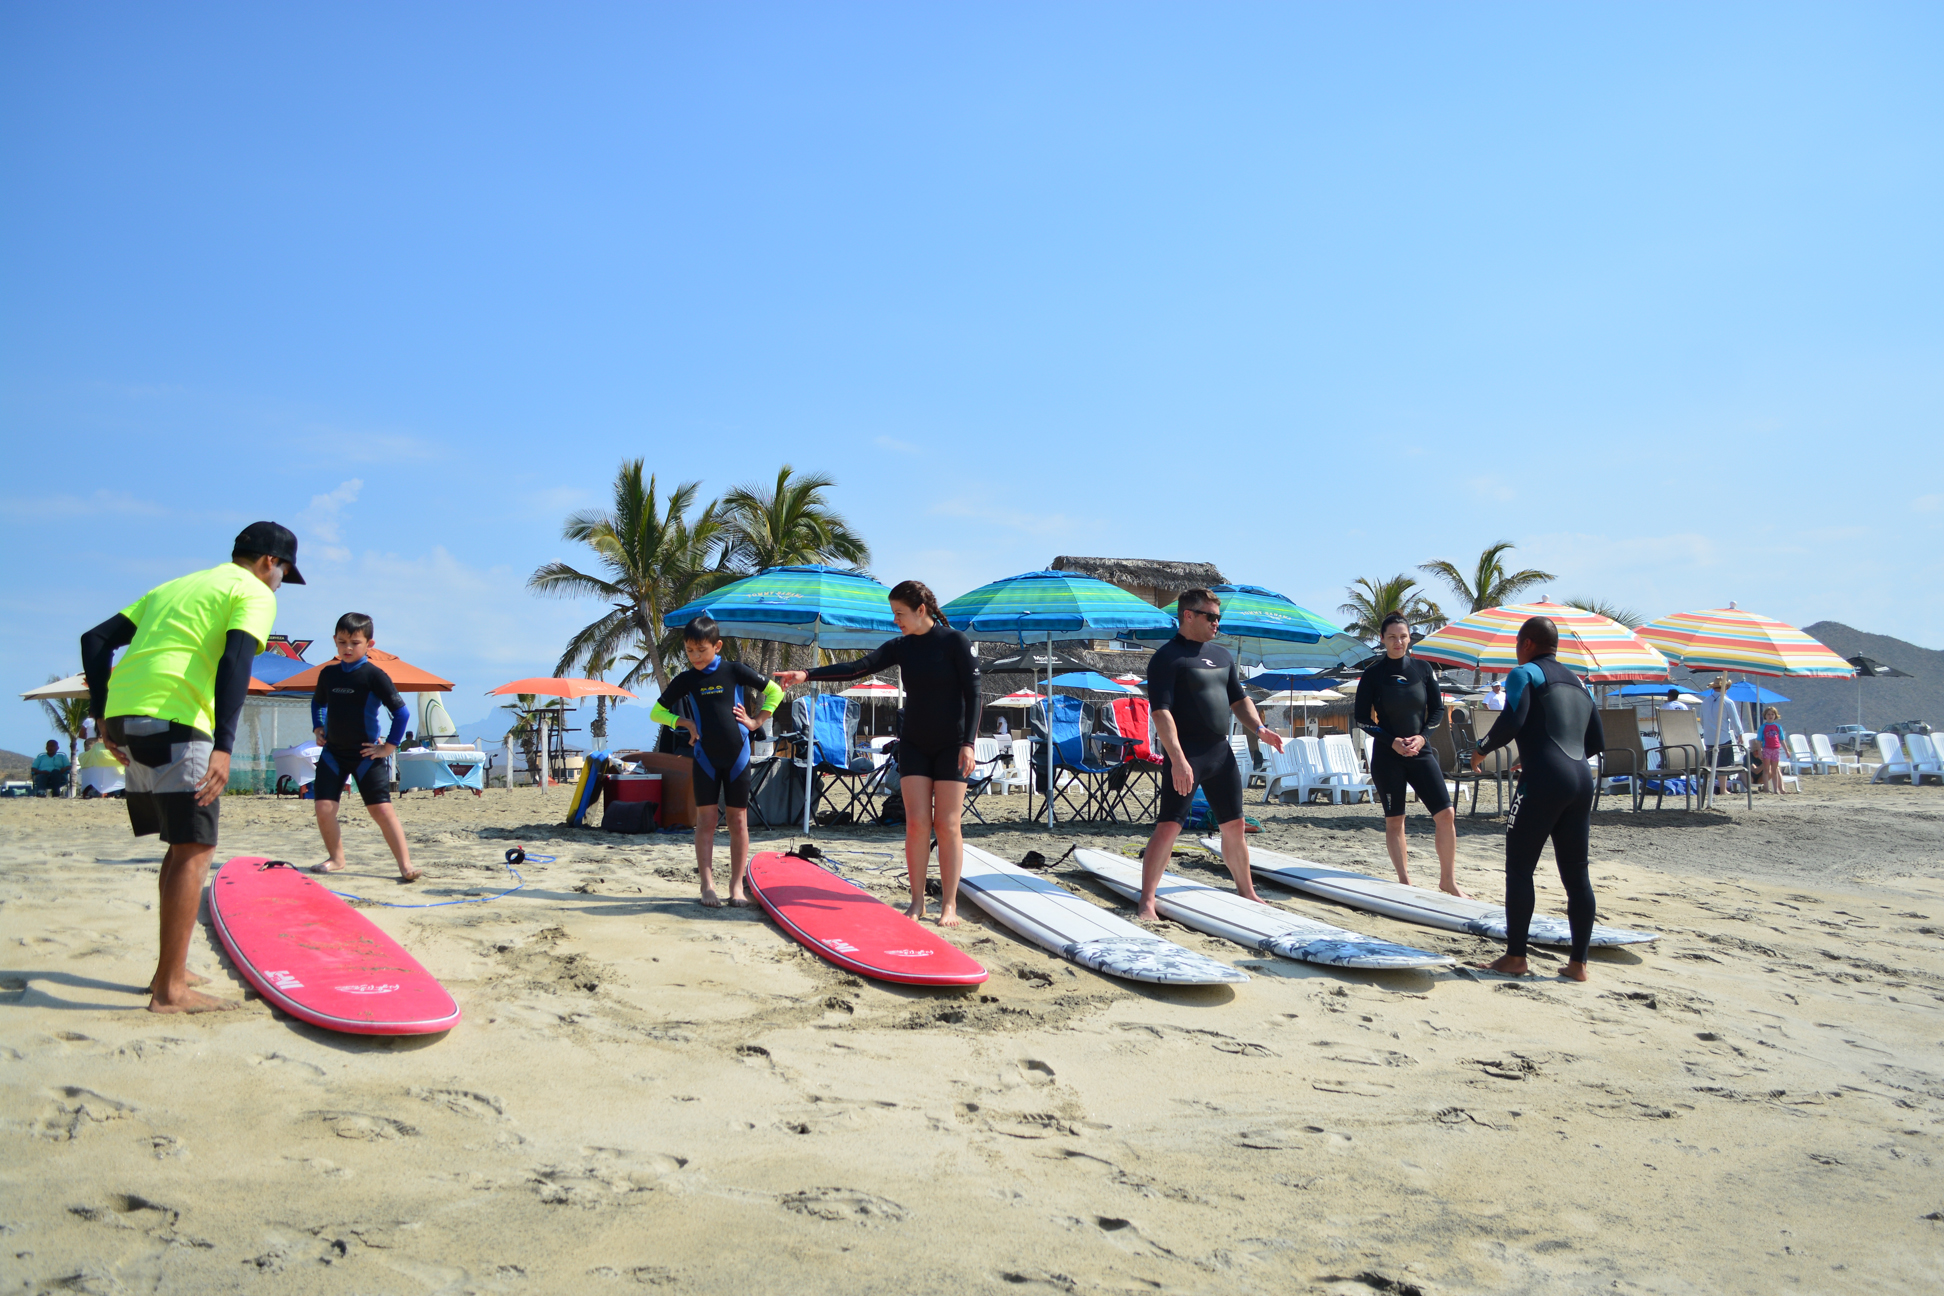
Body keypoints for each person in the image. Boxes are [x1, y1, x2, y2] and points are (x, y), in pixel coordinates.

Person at [80, 520, 301, 1014]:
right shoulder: (254, 592)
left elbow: (95, 639)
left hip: (127, 717)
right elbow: (236, 662)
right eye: (284, 570)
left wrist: (102, 713)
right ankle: (171, 991)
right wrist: (224, 745)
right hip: (177, 720)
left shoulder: (176, 586)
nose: (280, 580)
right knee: (196, 849)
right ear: (270, 562)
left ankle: (168, 970)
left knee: (179, 847)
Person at [776, 580, 980, 925]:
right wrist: (806, 674)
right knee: (916, 824)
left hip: (953, 745)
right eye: (893, 614)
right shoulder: (901, 647)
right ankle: (917, 902)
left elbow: (975, 694)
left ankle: (949, 904)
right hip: (914, 742)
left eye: (899, 614)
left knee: (947, 825)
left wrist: (969, 744)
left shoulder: (954, 641)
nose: (895, 620)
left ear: (920, 610)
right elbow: (857, 667)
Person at [1135, 588, 1285, 921]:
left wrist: (1260, 729)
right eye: (1211, 617)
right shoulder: (1167, 658)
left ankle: (1247, 891)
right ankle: (1147, 900)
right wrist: (1178, 759)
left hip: (1220, 752)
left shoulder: (1222, 656)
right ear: (1188, 615)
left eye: (1219, 617)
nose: (1217, 623)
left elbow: (1239, 700)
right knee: (1169, 826)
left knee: (1235, 825)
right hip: (1186, 753)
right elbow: (1161, 713)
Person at [1471, 615, 1604, 982]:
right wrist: (1542, 755)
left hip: (1544, 781)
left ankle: (1516, 957)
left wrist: (1481, 749)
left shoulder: (1524, 673)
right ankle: (1578, 965)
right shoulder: (1579, 683)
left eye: (1517, 644)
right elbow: (1594, 741)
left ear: (1527, 643)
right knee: (1577, 876)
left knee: (1519, 869)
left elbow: (1513, 719)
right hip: (1581, 780)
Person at [652, 616, 784, 908]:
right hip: (704, 757)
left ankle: (736, 886)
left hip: (737, 757)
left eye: (701, 649)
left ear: (717, 645)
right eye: (689, 651)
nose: (696, 656)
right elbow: (657, 712)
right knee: (706, 822)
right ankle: (707, 885)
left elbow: (776, 691)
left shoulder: (733, 670)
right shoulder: (687, 679)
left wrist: (756, 721)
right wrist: (685, 723)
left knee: (738, 821)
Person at [1354, 613, 1464, 896]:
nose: (1398, 642)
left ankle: (1448, 881)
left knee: (1446, 814)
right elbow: (1362, 719)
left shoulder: (1423, 669)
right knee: (1395, 820)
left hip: (1421, 752)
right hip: (1388, 755)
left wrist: (1422, 736)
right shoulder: (1373, 674)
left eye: (1403, 636)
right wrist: (1391, 742)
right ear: (1382, 639)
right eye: (1391, 637)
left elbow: (1438, 709)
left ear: (1409, 638)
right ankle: (1404, 882)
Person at [309, 614, 419, 882]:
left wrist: (389, 747)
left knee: (381, 811)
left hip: (366, 755)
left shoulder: (374, 676)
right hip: (333, 753)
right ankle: (336, 859)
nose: (347, 648)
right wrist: (318, 727)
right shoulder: (328, 673)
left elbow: (401, 713)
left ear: (369, 643)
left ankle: (406, 866)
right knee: (324, 809)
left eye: (355, 643)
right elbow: (317, 703)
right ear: (334, 641)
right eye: (342, 642)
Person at [1696, 676, 1745, 794]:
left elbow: (1702, 721)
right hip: (1723, 737)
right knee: (1723, 764)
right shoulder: (1727, 702)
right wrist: (1740, 734)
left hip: (1708, 738)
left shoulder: (1705, 702)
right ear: (1726, 688)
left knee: (1711, 764)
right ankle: (1723, 789)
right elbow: (1735, 721)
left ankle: (1708, 789)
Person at [1759, 706, 1792, 795]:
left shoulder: (1778, 727)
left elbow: (1782, 739)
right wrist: (1759, 751)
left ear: (1775, 716)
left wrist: (1786, 751)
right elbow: (1759, 740)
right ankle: (1766, 788)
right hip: (1766, 749)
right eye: (1768, 714)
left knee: (1775, 770)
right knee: (1766, 769)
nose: (1770, 716)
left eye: (1772, 714)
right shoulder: (1763, 727)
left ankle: (1775, 789)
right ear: (1765, 716)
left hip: (1776, 749)